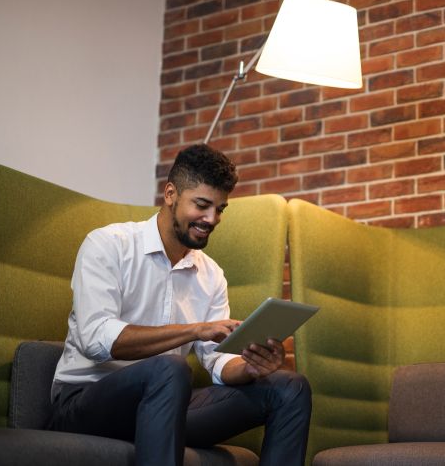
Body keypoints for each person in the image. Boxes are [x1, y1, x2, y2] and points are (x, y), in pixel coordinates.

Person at [49, 144, 311, 466]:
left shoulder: (211, 275)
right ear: (171, 194)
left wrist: (250, 367)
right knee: (169, 368)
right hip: (84, 403)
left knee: (290, 388)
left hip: (164, 406)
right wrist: (195, 330)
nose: (211, 219)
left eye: (220, 209)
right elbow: (96, 339)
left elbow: (217, 361)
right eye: (202, 205)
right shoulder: (108, 245)